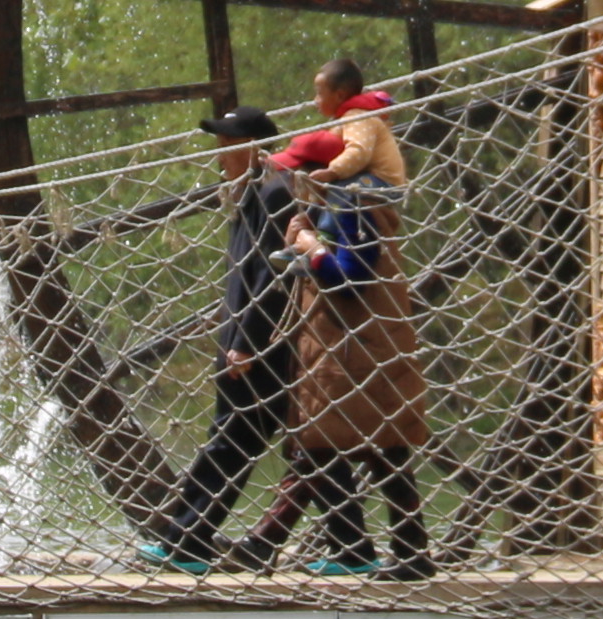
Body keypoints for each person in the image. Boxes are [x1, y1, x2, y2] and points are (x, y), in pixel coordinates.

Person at [225, 61, 430, 580]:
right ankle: (392, 553)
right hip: (353, 346)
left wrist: (310, 247)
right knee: (360, 448)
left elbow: (348, 275)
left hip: (359, 349)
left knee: (344, 444)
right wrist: (305, 239)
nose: (295, 176)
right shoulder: (342, 202)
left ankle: (269, 542)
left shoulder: (352, 202)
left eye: (300, 167)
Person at [146, 110, 303, 570]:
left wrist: (247, 343)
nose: (219, 152)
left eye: (226, 142)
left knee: (230, 445)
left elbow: (273, 278)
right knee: (298, 448)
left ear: (253, 145)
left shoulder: (276, 193)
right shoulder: (254, 192)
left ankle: (186, 540)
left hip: (260, 351)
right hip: (243, 346)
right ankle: (354, 546)